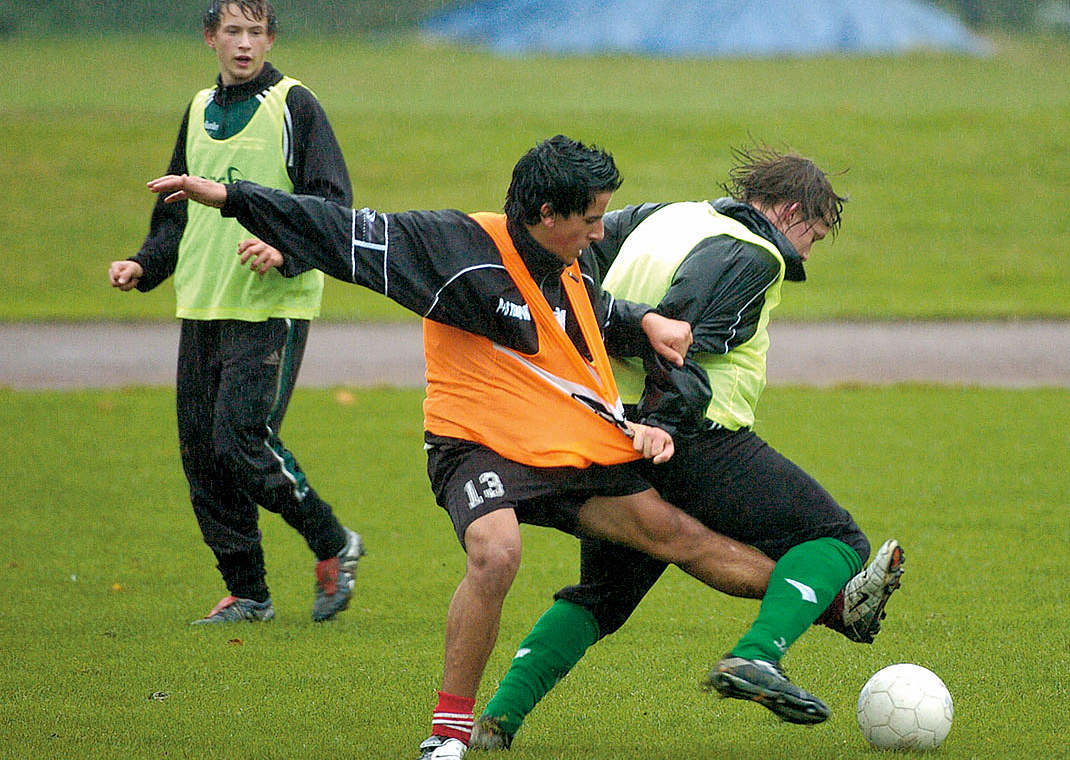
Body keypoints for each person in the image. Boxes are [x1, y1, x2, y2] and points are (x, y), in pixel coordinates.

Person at [143, 135, 801, 760]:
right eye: (592, 220)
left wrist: (644, 319)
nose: (603, 233)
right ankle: (449, 733)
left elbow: (590, 313)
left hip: (564, 439)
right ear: (547, 213)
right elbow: (342, 230)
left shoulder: (567, 263)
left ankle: (826, 599)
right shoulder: (459, 247)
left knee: (675, 534)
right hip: (476, 444)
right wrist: (232, 198)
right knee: (497, 553)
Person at [471, 147, 906, 745]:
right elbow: (678, 342)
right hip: (689, 436)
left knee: (604, 594)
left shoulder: (662, 216)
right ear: (792, 210)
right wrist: (669, 429)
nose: (807, 252)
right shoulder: (753, 256)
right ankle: (758, 656)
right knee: (835, 540)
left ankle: (497, 720)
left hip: (606, 430)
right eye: (816, 234)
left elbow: (576, 281)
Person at [108, 0, 363, 625]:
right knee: (202, 454)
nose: (244, 44)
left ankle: (332, 541)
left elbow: (333, 205)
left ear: (271, 39)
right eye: (232, 31)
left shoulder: (294, 106)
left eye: (255, 32)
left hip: (271, 307)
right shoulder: (197, 109)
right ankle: (248, 594)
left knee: (240, 439)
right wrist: (146, 264)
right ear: (210, 38)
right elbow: (174, 207)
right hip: (201, 301)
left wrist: (284, 249)